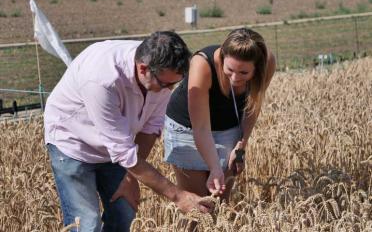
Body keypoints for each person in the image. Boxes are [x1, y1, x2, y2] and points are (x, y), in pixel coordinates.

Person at [44, 31, 213, 232]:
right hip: (72, 144)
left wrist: (131, 177)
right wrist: (178, 196)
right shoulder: (102, 79)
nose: (169, 90)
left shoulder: (161, 76)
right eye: (166, 84)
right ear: (143, 68)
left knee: (125, 212)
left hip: (115, 146)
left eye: (174, 84)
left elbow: (151, 127)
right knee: (86, 224)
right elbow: (124, 152)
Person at [164, 28, 276, 202]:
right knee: (198, 205)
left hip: (228, 127)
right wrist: (215, 167)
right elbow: (200, 128)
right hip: (188, 129)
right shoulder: (202, 65)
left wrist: (241, 147)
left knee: (220, 201)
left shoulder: (267, 62)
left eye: (244, 73)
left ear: (257, 67)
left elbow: (252, 108)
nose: (234, 78)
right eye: (229, 69)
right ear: (222, 57)